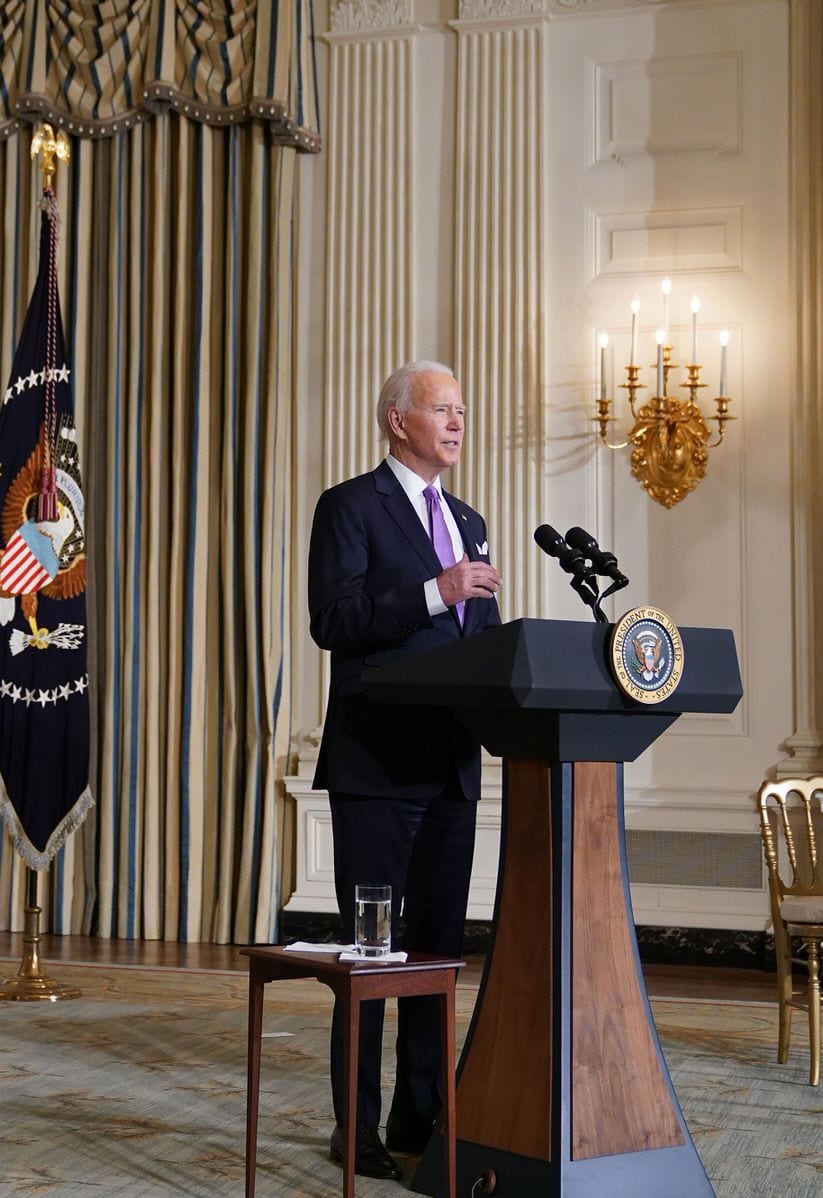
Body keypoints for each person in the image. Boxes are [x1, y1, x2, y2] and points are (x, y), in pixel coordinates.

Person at [306, 361, 502, 1180]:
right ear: (397, 419)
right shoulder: (351, 506)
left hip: (453, 766)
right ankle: (357, 1132)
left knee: (435, 957)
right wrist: (435, 590)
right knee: (372, 957)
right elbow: (334, 621)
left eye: (462, 410)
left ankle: (420, 1117)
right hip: (379, 767)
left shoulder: (468, 517)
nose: (458, 423)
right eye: (442, 409)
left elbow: (482, 639)